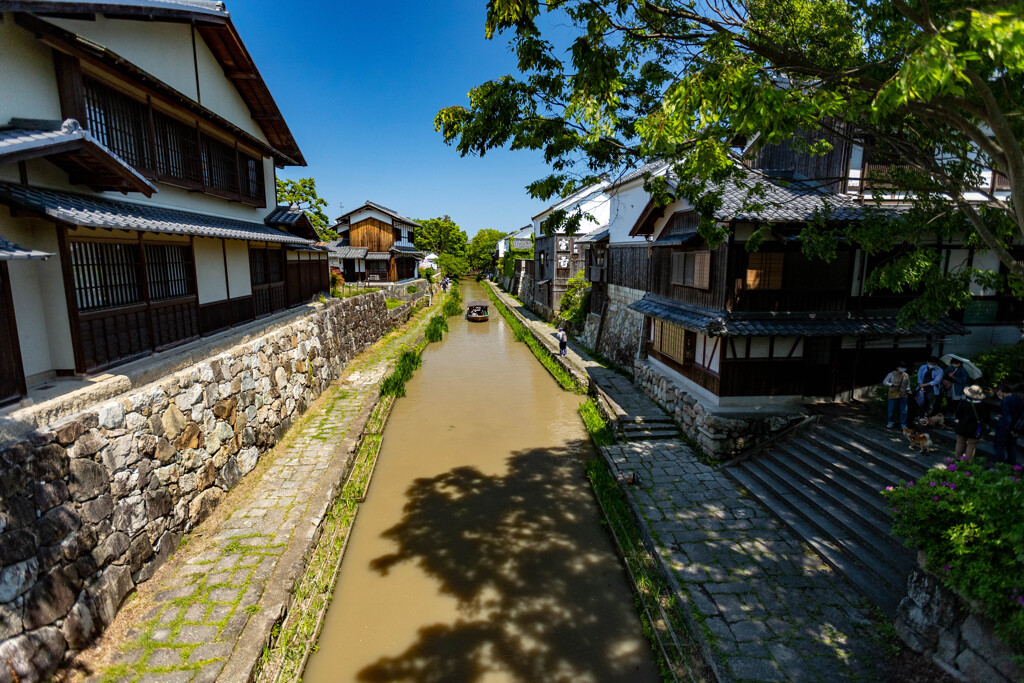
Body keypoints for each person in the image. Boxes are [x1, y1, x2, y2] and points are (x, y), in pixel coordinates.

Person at [953, 385, 987, 461]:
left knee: (960, 442)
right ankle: (967, 462)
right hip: (975, 428)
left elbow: (957, 414)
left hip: (962, 426)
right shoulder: (983, 405)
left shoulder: (963, 402)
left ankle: (957, 459)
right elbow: (986, 418)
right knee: (971, 445)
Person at [993, 384, 1024, 465]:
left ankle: (999, 464)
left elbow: (1007, 417)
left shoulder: (1005, 401)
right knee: (1011, 447)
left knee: (999, 447)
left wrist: (1008, 428)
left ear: (1000, 391)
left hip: (1005, 428)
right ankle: (1011, 464)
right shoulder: (1018, 400)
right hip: (1015, 427)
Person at [883, 361, 910, 429]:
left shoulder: (906, 375)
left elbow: (908, 384)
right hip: (893, 393)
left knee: (904, 410)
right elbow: (885, 382)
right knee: (891, 409)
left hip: (903, 394)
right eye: (901, 367)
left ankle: (903, 424)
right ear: (897, 368)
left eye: (903, 367)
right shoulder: (891, 374)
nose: (902, 369)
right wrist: (892, 384)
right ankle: (890, 422)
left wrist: (909, 390)